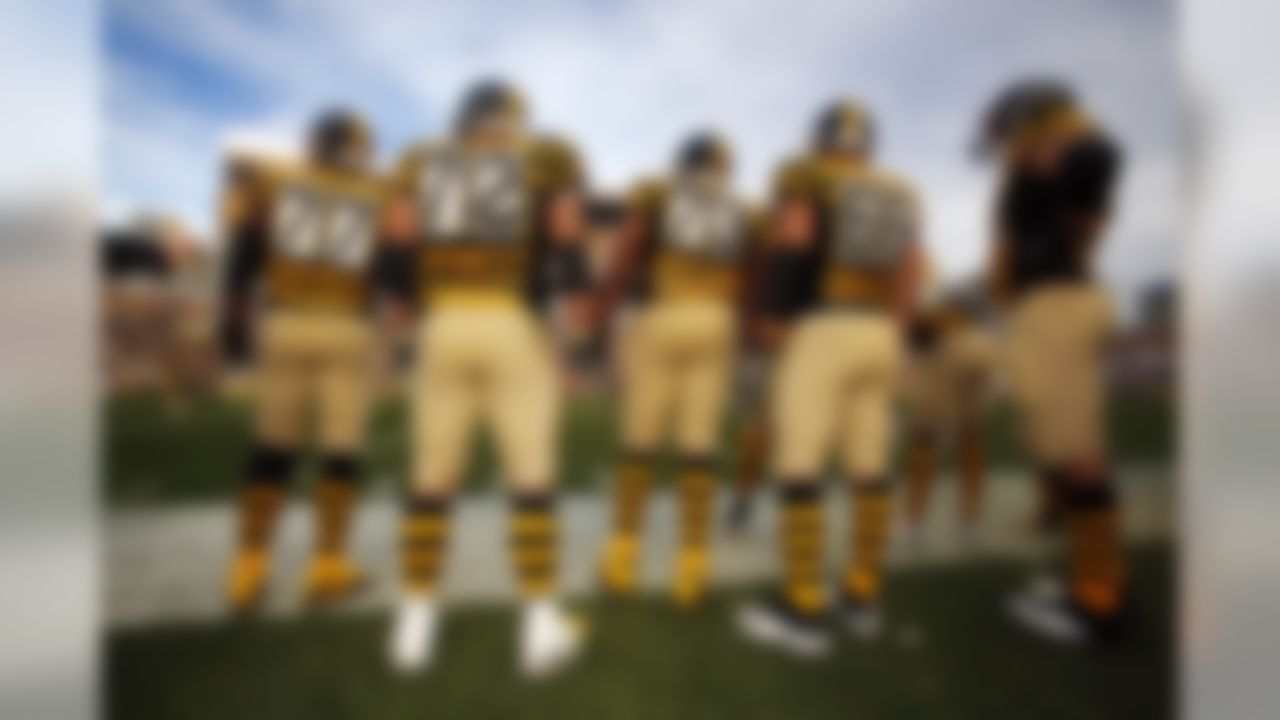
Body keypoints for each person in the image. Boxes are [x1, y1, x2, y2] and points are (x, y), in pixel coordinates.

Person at [383, 80, 594, 678]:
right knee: (531, 476)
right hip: (508, 323)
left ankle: (414, 625)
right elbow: (566, 231)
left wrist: (404, 310)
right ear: (511, 122)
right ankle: (539, 624)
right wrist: (579, 326)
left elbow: (398, 233)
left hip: (443, 323)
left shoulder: (423, 161)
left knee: (432, 478)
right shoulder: (540, 161)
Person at [737, 99, 927, 657]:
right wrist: (898, 330)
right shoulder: (898, 191)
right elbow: (910, 265)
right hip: (879, 335)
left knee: (799, 464)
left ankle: (803, 610)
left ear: (822, 140)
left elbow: (794, 239)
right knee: (870, 467)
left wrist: (770, 320)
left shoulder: (808, 179)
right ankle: (862, 596)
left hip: (824, 331)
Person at [976, 78, 1127, 645]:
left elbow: (1097, 157)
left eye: (1005, 134)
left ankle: (1099, 600)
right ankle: (1094, 582)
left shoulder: (1063, 145)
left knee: (1075, 456)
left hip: (1058, 305)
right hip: (1047, 306)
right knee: (1060, 451)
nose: (1000, 146)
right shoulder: (1035, 165)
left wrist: (1062, 164)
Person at [221, 109, 387, 612]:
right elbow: (389, 263)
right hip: (346, 325)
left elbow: (243, 252)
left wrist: (233, 320)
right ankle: (327, 566)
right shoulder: (374, 192)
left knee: (274, 448)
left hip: (285, 321)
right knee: (342, 449)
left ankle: (249, 568)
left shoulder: (275, 180)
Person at [592, 132, 761, 608]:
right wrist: (744, 332)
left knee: (640, 439)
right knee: (699, 446)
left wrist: (604, 308)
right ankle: (692, 565)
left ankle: (622, 555)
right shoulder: (743, 211)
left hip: (666, 316)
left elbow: (627, 252)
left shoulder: (660, 195)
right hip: (717, 322)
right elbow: (753, 275)